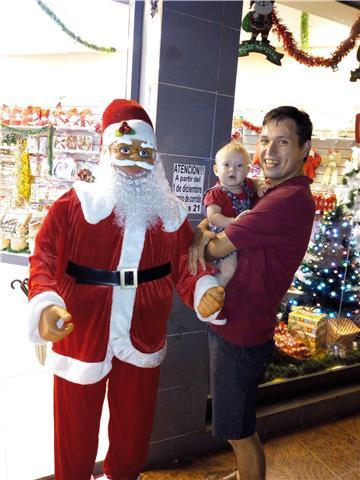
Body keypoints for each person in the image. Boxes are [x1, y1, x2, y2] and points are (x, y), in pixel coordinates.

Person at [27, 99, 224, 480]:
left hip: (143, 330)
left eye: (144, 152)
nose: (135, 159)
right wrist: (47, 305)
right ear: (106, 152)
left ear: (155, 157)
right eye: (125, 149)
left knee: (133, 430)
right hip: (81, 326)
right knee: (74, 428)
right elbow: (45, 258)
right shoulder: (74, 206)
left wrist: (203, 289)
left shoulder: (168, 212)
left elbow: (186, 263)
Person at [189, 106, 316, 480]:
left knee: (238, 431)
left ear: (305, 148)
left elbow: (215, 248)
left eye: (283, 141)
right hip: (242, 323)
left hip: (242, 332)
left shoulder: (285, 201)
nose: (270, 150)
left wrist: (202, 233)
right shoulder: (269, 193)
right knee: (236, 420)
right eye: (264, 140)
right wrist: (208, 228)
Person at [204, 142, 267, 290]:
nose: (232, 169)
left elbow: (257, 181)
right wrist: (233, 222)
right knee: (228, 270)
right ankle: (211, 294)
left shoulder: (247, 185)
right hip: (222, 236)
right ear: (216, 170)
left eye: (239, 166)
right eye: (226, 165)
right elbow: (213, 216)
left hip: (241, 238)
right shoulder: (216, 193)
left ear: (247, 170)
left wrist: (260, 186)